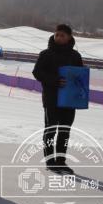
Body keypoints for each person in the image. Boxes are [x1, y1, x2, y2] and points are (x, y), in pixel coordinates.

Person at [33, 24, 84, 175]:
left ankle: (61, 161)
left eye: (62, 35)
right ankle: (50, 161)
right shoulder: (46, 54)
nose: (59, 37)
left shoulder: (75, 56)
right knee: (51, 130)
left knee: (65, 131)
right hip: (51, 98)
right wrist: (54, 80)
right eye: (57, 35)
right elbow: (37, 72)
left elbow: (80, 75)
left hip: (69, 100)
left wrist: (80, 91)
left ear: (69, 37)